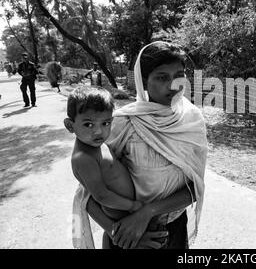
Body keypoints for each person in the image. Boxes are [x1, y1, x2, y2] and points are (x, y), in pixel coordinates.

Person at [72, 41, 208, 249]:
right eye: (162, 77)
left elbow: (194, 186)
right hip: (128, 236)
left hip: (174, 229)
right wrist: (114, 231)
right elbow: (88, 194)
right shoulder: (123, 123)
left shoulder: (192, 120)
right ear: (143, 81)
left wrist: (148, 212)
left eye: (179, 76)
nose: (173, 85)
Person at [65, 86, 166, 249]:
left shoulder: (95, 145)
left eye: (105, 123)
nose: (99, 131)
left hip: (125, 209)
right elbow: (101, 196)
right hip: (121, 214)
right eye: (88, 124)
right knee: (121, 241)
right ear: (70, 126)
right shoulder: (84, 158)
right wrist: (133, 206)